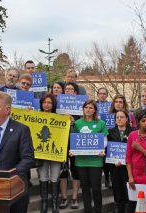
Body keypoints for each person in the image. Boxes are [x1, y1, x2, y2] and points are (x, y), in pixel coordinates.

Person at [70, 100, 108, 213]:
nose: (88, 109)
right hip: (81, 161)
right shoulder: (77, 123)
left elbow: (105, 140)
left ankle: (98, 210)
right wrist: (72, 150)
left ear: (94, 110)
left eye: (91, 107)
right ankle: (87, 210)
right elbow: (74, 140)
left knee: (96, 188)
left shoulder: (101, 123)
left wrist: (102, 148)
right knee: (85, 188)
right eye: (86, 107)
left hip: (96, 161)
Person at [126, 110, 146, 212]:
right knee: (133, 205)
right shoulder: (132, 135)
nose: (145, 123)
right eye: (143, 121)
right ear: (138, 121)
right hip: (135, 175)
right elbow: (128, 158)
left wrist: (140, 149)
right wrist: (130, 177)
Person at [37, 94, 62, 213]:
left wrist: (69, 121)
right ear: (41, 104)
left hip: (55, 153)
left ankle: (55, 203)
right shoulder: (35, 116)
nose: (47, 105)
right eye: (45, 102)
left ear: (53, 105)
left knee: (54, 177)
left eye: (50, 102)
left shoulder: (59, 118)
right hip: (41, 153)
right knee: (43, 177)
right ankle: (44, 203)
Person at [59, 81, 81, 209]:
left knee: (75, 170)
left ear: (75, 92)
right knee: (63, 170)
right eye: (66, 89)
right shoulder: (59, 106)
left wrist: (74, 122)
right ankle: (63, 198)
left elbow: (85, 125)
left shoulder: (80, 107)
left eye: (70, 89)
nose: (68, 91)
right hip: (62, 141)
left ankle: (74, 198)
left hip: (76, 143)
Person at [108, 110, 135, 213]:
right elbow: (108, 149)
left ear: (127, 119)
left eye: (122, 117)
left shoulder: (133, 131)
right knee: (117, 191)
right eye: (117, 117)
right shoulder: (110, 132)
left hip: (129, 167)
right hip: (115, 166)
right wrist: (113, 160)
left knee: (128, 191)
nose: (119, 119)